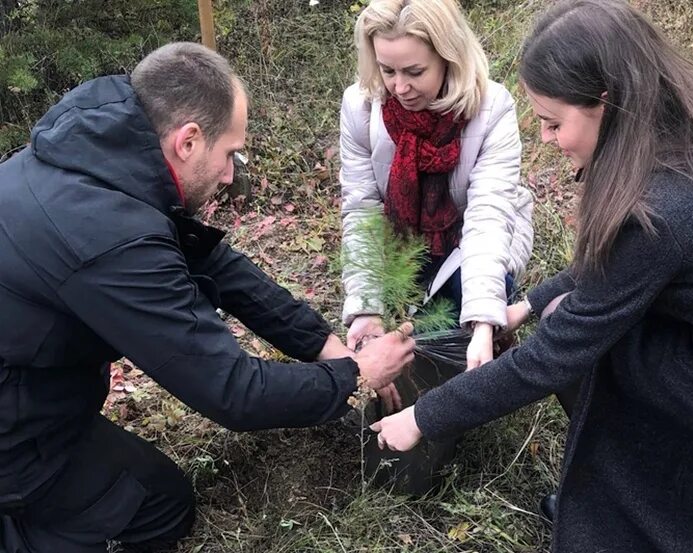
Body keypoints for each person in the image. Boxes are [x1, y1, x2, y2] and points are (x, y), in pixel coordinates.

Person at [370, 0, 693, 551]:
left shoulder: (661, 206)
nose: (545, 138)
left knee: (589, 345)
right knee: (583, 325)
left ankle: (633, 508)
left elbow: (553, 356)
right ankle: (624, 490)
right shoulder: (689, 127)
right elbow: (620, 273)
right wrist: (530, 303)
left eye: (552, 122)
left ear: (606, 103)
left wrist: (424, 416)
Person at [0, 42, 415, 553]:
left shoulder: (99, 151)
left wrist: (323, 345)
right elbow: (233, 392)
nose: (228, 174)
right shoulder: (114, 242)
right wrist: (358, 376)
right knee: (161, 506)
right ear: (189, 140)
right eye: (230, 155)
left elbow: (218, 265)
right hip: (16, 428)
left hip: (30, 380)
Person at [339, 0, 534, 370]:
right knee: (406, 322)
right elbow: (362, 210)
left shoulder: (491, 108)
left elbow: (488, 215)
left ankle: (486, 348)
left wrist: (482, 320)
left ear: (449, 58)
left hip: (470, 242)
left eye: (415, 71)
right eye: (387, 70)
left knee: (463, 309)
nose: (399, 87)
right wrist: (366, 309)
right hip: (404, 241)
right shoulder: (360, 108)